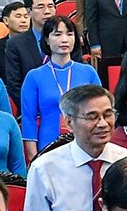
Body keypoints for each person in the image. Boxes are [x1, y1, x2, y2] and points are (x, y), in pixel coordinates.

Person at [21, 84, 127, 211]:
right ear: (69, 122)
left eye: (108, 114)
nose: (103, 123)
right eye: (92, 117)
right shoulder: (44, 168)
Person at [20, 16, 100, 157]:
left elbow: (100, 111)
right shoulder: (34, 76)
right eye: (57, 34)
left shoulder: (88, 72)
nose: (64, 39)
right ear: (46, 39)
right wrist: (33, 157)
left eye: (69, 34)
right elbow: (29, 119)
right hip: (48, 144)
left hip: (85, 143)